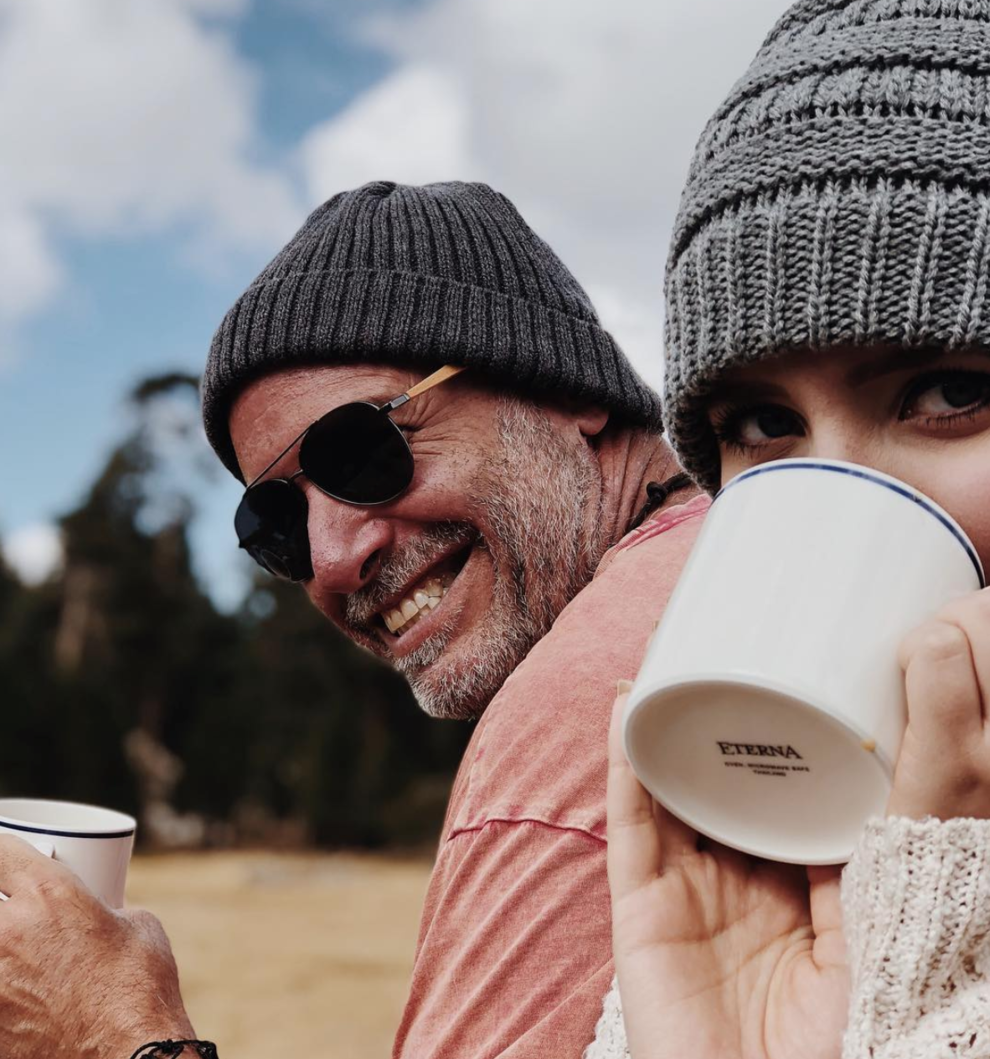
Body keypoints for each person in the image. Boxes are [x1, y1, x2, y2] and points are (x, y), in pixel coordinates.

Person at [0, 180, 711, 1058]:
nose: (333, 557)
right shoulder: (731, 575)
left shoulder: (588, 697)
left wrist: (113, 1036)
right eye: (278, 522)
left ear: (564, 388)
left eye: (361, 449)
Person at [589, 0, 990, 1057]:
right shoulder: (739, 910)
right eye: (759, 426)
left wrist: (934, 947)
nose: (829, 493)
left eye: (953, 391)